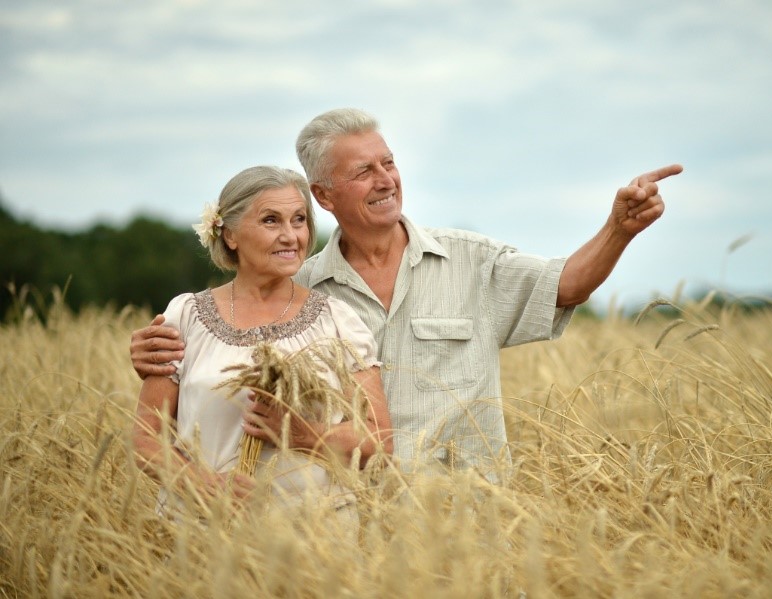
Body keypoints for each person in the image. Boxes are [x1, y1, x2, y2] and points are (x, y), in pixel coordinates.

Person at [131, 108, 682, 483]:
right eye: (363, 171)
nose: (385, 179)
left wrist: (619, 230)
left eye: (388, 162)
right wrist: (160, 355)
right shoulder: (299, 291)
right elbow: (225, 360)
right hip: (348, 518)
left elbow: (567, 285)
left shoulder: (470, 259)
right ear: (323, 195)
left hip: (466, 508)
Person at [131, 165, 392, 524]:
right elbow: (146, 440)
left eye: (298, 220)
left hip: (316, 538)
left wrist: (300, 433)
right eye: (271, 221)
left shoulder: (339, 321)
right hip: (200, 534)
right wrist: (202, 485)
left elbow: (378, 442)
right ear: (231, 235)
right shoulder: (185, 317)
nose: (290, 236)